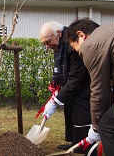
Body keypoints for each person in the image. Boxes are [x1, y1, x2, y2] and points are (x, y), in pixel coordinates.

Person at [65, 17, 114, 156]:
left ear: (81, 35)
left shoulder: (90, 45)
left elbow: (98, 91)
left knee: (107, 126)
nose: (77, 51)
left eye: (74, 47)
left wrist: (95, 127)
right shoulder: (111, 31)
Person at [39, 21, 96, 155]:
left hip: (84, 84)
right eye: (44, 44)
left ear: (58, 33)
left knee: (80, 112)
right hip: (69, 84)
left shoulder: (72, 43)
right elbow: (59, 68)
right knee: (69, 110)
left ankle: (85, 146)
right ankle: (74, 141)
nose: (47, 46)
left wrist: (56, 101)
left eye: (48, 42)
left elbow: (76, 75)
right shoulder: (59, 44)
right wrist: (56, 88)